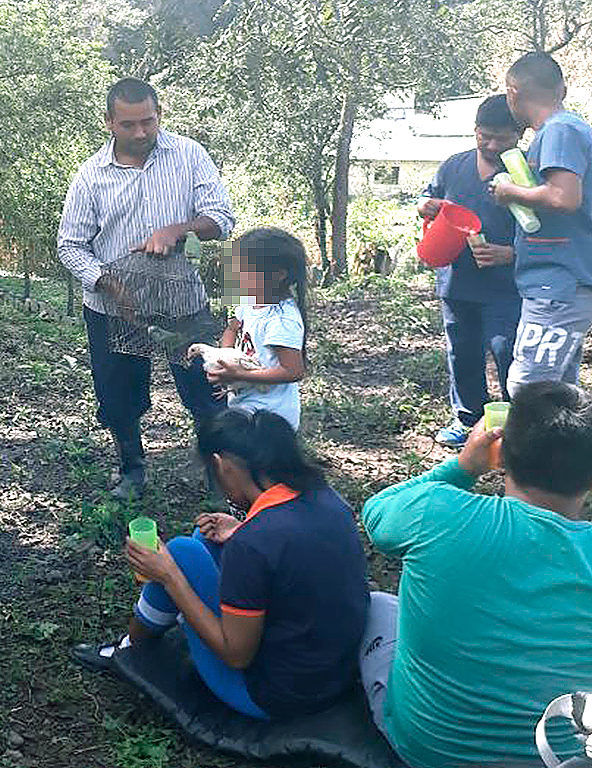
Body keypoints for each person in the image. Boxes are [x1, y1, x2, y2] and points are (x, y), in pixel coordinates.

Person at [73, 408, 369, 721]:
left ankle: (128, 649)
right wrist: (240, 529)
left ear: (221, 464)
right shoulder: (327, 497)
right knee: (202, 543)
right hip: (335, 673)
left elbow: (236, 655)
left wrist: (170, 576)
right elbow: (297, 550)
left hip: (275, 695)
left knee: (181, 554)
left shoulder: (253, 544)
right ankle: (134, 639)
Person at [360, 380, 592, 768]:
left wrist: (463, 466)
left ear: (500, 455)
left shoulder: (437, 514)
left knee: (379, 606)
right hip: (562, 759)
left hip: (427, 750)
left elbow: (378, 512)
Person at [57, 77, 236, 499]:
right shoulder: (90, 175)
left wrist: (178, 228)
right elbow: (70, 245)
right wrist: (107, 282)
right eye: (128, 125)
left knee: (206, 391)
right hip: (113, 307)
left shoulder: (189, 154)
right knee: (118, 395)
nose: (140, 133)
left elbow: (221, 217)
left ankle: (218, 482)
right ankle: (132, 470)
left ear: (159, 116)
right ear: (108, 123)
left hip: (181, 302)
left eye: (148, 122)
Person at [418, 94, 522, 448]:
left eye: (503, 139)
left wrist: (510, 253)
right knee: (461, 350)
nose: (492, 145)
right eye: (485, 136)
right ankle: (467, 419)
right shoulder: (454, 165)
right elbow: (428, 196)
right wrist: (425, 205)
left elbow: (546, 231)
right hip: (456, 279)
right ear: (475, 130)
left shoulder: (525, 173)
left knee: (508, 350)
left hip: (505, 286)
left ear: (519, 134)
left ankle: (517, 427)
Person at [493, 52, 592, 393]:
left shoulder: (560, 130)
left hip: (559, 283)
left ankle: (526, 449)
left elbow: (563, 198)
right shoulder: (562, 130)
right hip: (559, 281)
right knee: (559, 391)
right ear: (561, 89)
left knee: (528, 388)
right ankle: (569, 448)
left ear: (513, 92)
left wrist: (510, 191)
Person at [198, 227, 308, 431]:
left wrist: (239, 375)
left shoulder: (282, 320)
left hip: (272, 417)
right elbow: (232, 328)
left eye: (246, 270)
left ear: (278, 275)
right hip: (244, 406)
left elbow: (292, 371)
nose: (238, 276)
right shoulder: (249, 302)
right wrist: (224, 360)